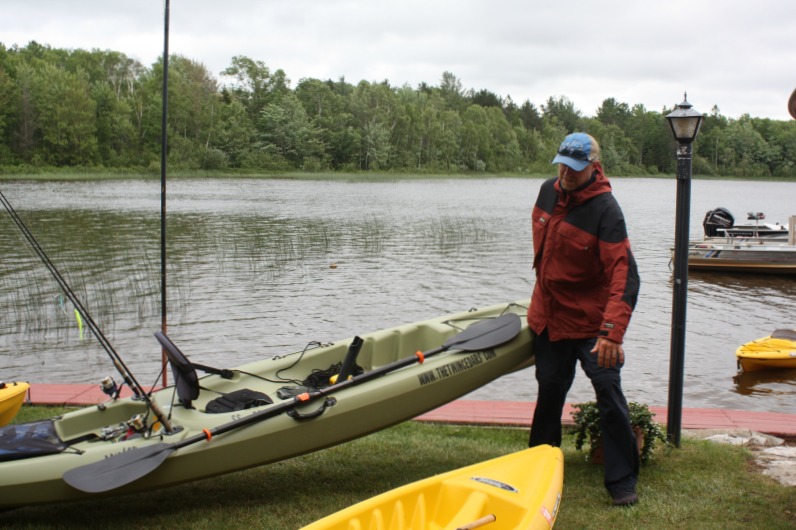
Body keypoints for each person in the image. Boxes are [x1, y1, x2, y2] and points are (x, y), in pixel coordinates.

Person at [527, 132, 641, 506]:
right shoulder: (547, 190)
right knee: (549, 392)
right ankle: (537, 467)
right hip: (549, 318)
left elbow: (624, 275)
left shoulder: (606, 210)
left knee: (609, 395)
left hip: (594, 327)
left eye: (575, 168)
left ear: (594, 166)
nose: (566, 173)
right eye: (562, 164)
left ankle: (622, 480)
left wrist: (611, 333)